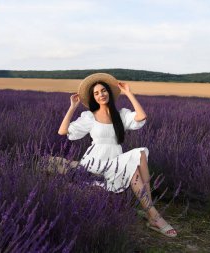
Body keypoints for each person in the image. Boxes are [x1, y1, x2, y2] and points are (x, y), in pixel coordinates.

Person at [58, 73, 177, 237]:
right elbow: (63, 131)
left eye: (104, 91)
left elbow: (142, 117)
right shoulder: (89, 117)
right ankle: (152, 214)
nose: (101, 94)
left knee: (140, 154)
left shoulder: (120, 115)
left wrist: (128, 93)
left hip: (115, 159)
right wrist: (72, 107)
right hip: (96, 162)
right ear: (93, 97)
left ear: (109, 93)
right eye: (97, 93)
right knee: (135, 162)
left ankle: (151, 212)